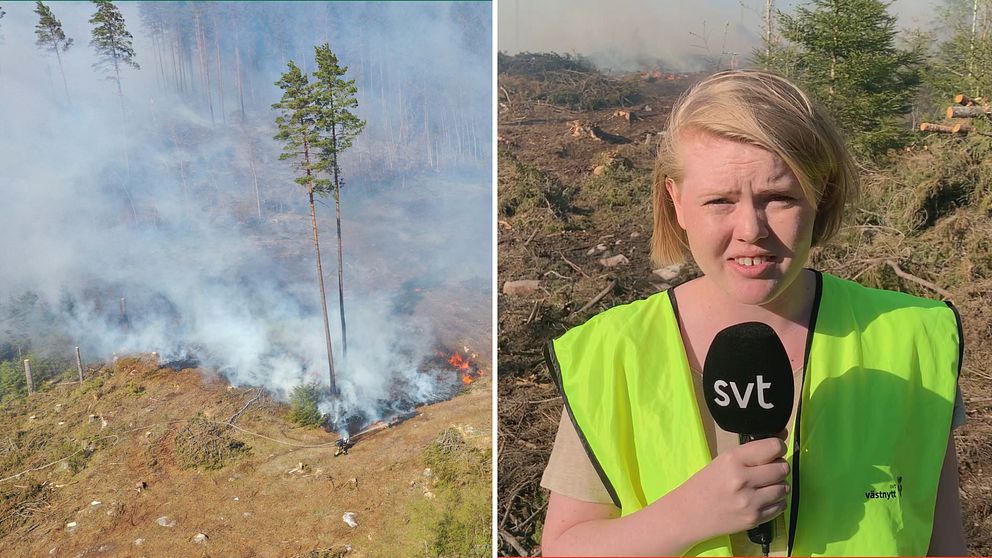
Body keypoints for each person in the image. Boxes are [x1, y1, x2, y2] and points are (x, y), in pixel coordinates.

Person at [539, 70, 967, 557]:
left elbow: (942, 540)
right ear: (675, 202)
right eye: (719, 201)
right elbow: (564, 547)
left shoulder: (917, 340)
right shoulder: (609, 353)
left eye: (779, 198)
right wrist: (687, 514)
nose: (751, 229)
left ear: (820, 195)